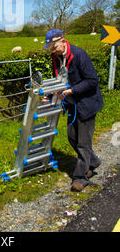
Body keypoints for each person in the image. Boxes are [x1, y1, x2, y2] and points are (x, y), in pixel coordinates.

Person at [43, 29, 103, 192]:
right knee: (72, 137)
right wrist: (50, 96)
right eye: (51, 49)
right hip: (72, 104)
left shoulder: (79, 55)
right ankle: (94, 161)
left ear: (63, 41)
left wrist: (72, 91)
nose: (53, 51)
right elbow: (59, 81)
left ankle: (80, 177)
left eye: (54, 47)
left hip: (87, 103)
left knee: (83, 143)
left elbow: (92, 81)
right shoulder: (56, 59)